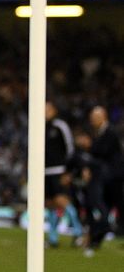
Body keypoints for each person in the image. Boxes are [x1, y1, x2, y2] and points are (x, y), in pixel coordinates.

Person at [44, 100, 82, 246]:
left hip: (59, 170)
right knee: (49, 204)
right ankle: (53, 238)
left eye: (47, 109)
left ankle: (78, 232)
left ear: (54, 110)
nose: (45, 112)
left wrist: (68, 170)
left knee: (61, 200)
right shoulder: (41, 128)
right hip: (44, 172)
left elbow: (70, 148)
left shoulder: (60, 126)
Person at [88, 105, 123, 234]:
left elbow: (104, 152)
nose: (91, 121)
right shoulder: (98, 132)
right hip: (106, 175)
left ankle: (108, 227)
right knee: (108, 203)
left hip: (113, 175)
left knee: (112, 202)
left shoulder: (110, 132)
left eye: (94, 118)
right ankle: (105, 228)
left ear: (103, 117)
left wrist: (89, 147)